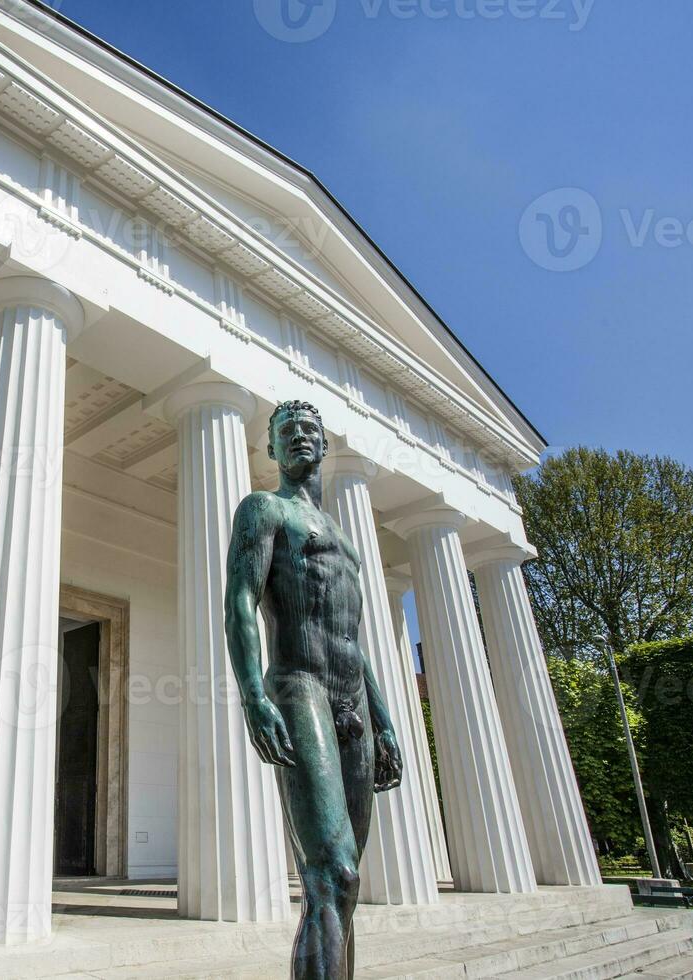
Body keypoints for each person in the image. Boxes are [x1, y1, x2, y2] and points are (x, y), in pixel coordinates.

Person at [224, 399, 403, 980]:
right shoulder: (264, 510)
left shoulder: (348, 544)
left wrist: (385, 718)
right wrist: (253, 693)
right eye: (286, 432)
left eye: (310, 430)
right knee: (332, 872)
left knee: (344, 884)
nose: (300, 437)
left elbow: (354, 637)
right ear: (271, 449)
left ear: (324, 445)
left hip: (353, 701)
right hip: (299, 688)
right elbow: (241, 604)